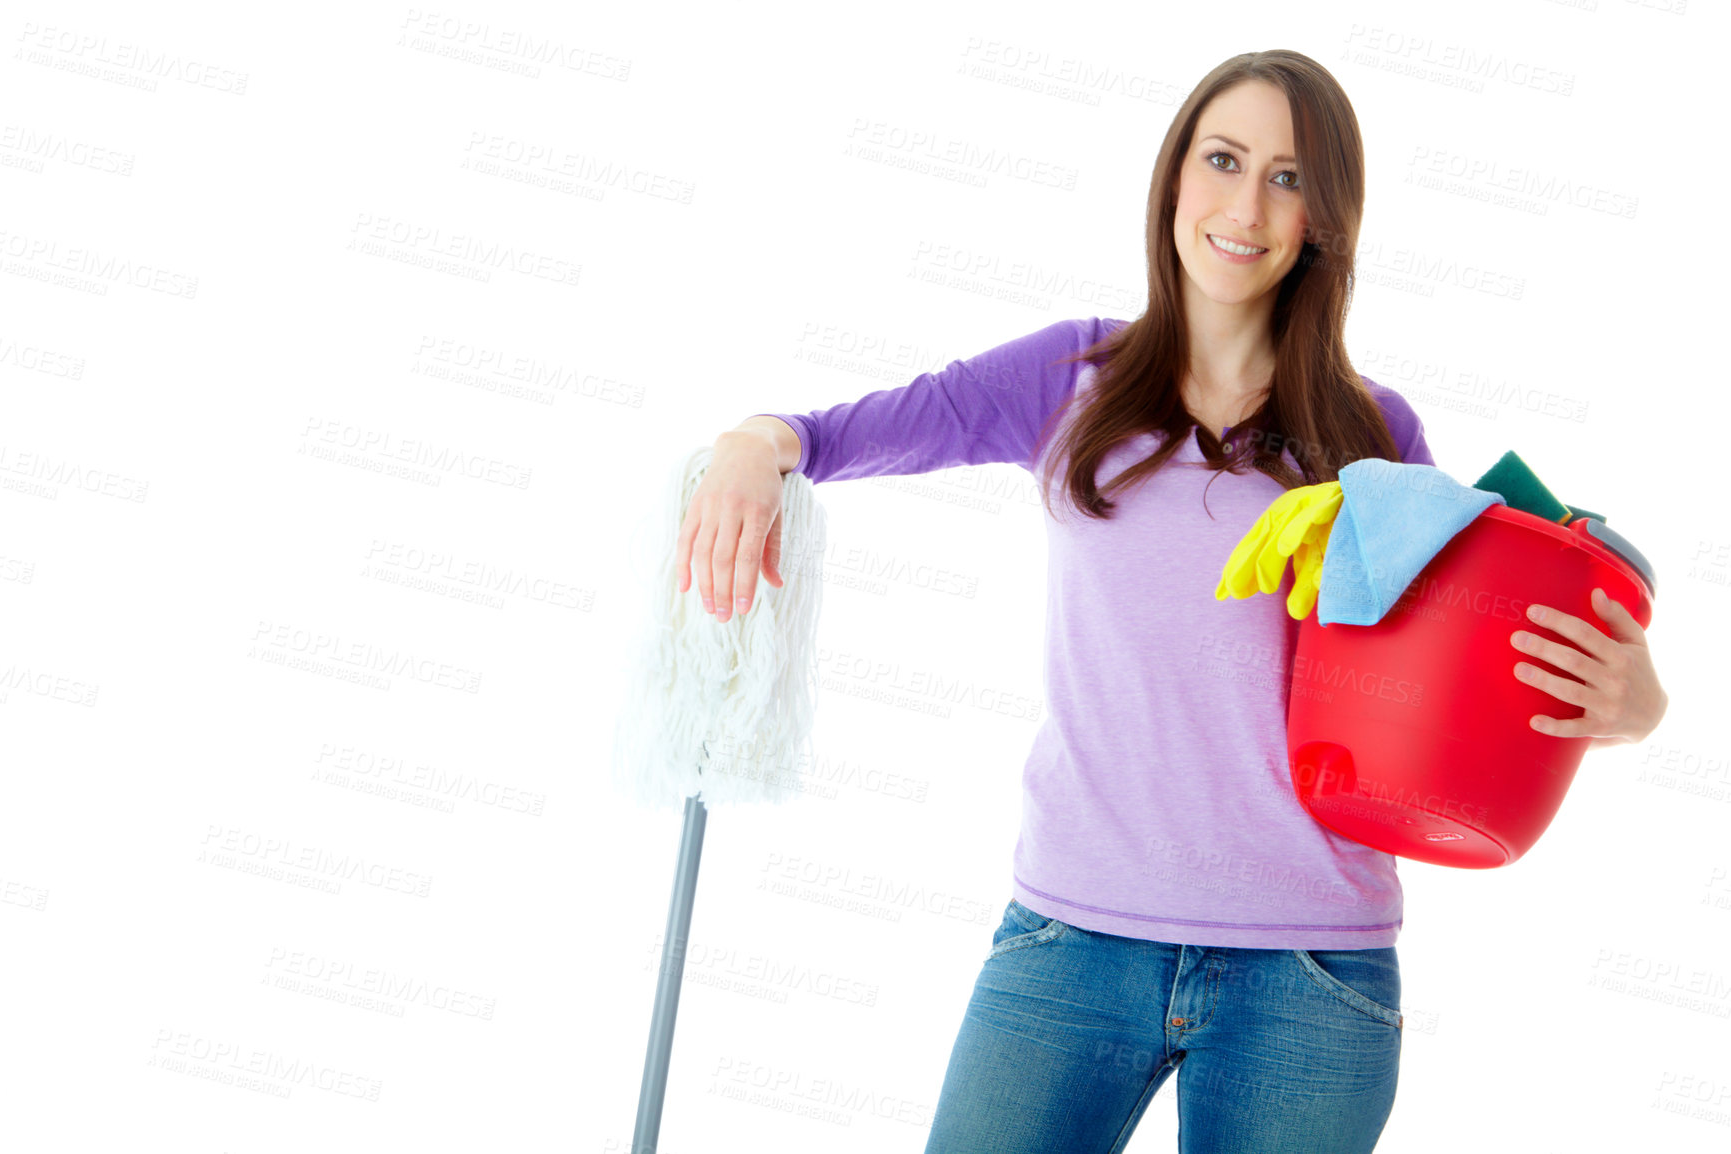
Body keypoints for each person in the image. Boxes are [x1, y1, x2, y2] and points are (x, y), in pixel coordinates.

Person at [673, 49, 1667, 1154]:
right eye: (1224, 159)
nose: (1246, 206)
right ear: (1173, 177)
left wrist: (1635, 703)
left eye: (1287, 178)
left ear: (1325, 217)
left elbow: (1475, 653)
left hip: (1311, 968)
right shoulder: (1067, 377)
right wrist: (751, 444)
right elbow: (835, 433)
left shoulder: (1374, 437)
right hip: (1069, 941)